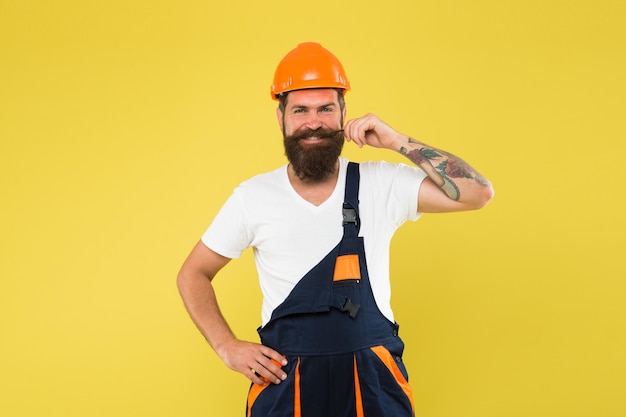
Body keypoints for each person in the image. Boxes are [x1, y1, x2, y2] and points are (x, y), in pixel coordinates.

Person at [177, 42, 494, 417]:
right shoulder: (253, 197)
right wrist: (226, 346)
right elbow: (193, 274)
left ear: (344, 113)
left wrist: (397, 142)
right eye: (300, 110)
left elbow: (477, 194)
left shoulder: (382, 183)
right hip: (286, 385)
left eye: (326, 109)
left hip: (373, 384)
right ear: (281, 118)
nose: (314, 122)